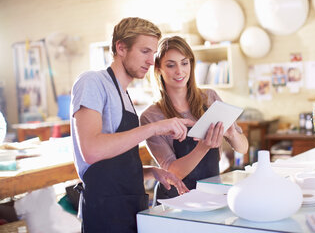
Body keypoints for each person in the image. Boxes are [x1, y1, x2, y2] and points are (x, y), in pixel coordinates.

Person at [70, 18, 192, 233]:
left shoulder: (125, 95)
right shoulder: (92, 82)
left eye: (153, 53)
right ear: (121, 48)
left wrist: (151, 172)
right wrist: (155, 128)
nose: (151, 61)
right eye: (145, 51)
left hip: (130, 206)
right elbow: (91, 151)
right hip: (105, 212)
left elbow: (115, 161)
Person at [140, 36, 248, 202]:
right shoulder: (151, 116)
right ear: (158, 69)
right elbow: (172, 173)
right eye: (170, 65)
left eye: (184, 63)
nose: (180, 71)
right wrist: (203, 147)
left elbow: (243, 148)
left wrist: (232, 134)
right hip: (176, 198)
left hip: (211, 192)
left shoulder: (209, 97)